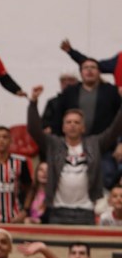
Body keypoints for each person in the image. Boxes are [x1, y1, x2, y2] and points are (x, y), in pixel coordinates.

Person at [28, 85, 122, 224]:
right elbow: (34, 130)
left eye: (77, 122)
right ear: (63, 127)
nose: (72, 125)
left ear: (83, 127)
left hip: (86, 210)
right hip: (58, 209)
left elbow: (115, 129)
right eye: (69, 122)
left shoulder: (94, 143)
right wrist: (33, 103)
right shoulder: (54, 144)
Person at [50, 58, 122, 188]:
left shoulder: (111, 92)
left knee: (107, 177)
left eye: (93, 67)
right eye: (86, 67)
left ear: (99, 72)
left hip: (103, 147)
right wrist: (57, 143)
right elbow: (57, 119)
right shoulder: (70, 92)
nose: (89, 70)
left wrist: (121, 143)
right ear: (81, 73)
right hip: (71, 147)